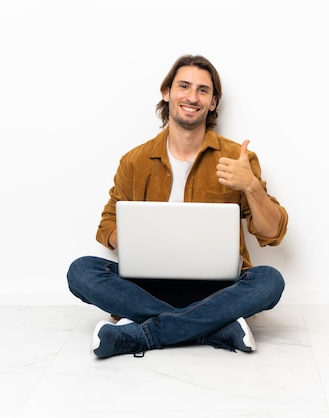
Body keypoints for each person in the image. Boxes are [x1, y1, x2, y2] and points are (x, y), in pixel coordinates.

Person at [66, 54, 288, 359]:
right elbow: (106, 225)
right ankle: (213, 328)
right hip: (147, 287)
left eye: (203, 90)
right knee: (81, 271)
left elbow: (272, 233)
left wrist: (250, 186)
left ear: (212, 102)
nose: (192, 97)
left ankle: (142, 334)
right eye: (184, 86)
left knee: (269, 281)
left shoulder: (238, 158)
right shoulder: (135, 160)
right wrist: (134, 239)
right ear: (166, 92)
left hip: (217, 289)